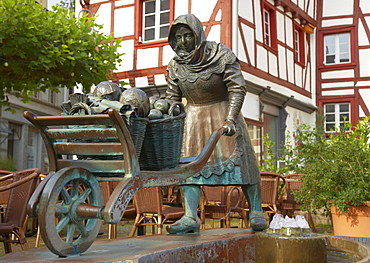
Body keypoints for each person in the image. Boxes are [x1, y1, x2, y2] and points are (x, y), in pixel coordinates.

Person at [165, 14, 267, 234]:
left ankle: (256, 211)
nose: (183, 42)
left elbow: (237, 88)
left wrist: (230, 118)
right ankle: (190, 216)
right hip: (193, 119)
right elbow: (173, 97)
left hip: (223, 114)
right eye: (178, 37)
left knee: (243, 165)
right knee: (188, 169)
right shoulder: (174, 65)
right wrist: (169, 113)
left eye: (187, 36)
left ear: (197, 35)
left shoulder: (221, 55)